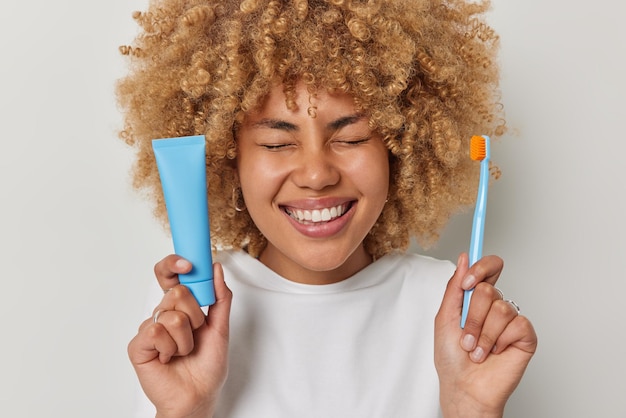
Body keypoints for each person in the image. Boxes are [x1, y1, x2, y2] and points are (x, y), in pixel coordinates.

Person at [116, 0, 537, 416]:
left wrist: (471, 408)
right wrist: (187, 408)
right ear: (229, 160)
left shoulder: (449, 307)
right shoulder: (190, 311)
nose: (316, 175)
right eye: (277, 143)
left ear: (399, 149)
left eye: (351, 138)